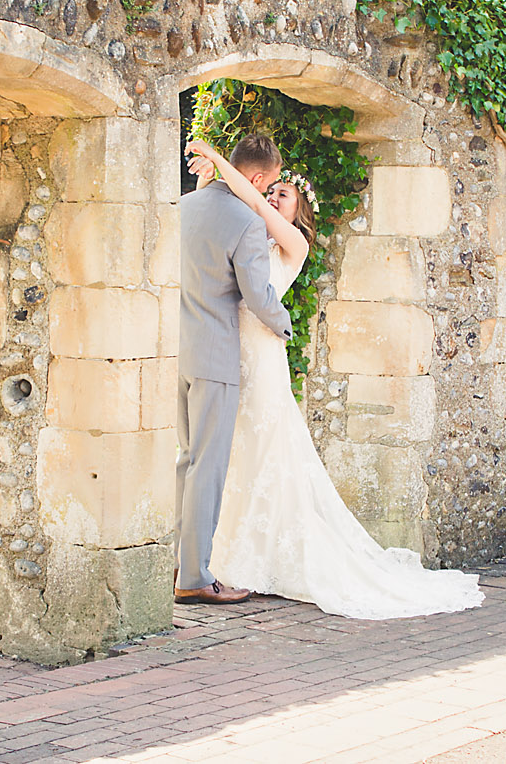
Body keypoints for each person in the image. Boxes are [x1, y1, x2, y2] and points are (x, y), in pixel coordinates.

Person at [183, 137, 485, 620]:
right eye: (274, 188)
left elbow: (251, 201)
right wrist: (209, 180)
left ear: (298, 213)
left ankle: (253, 556)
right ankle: (211, 556)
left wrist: (220, 163)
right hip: (223, 347)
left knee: (261, 447)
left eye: (285, 196)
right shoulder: (245, 230)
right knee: (223, 454)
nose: (275, 195)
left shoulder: (293, 242)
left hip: (259, 353)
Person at [172, 134, 295, 605]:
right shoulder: (246, 222)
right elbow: (258, 295)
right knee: (209, 465)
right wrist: (284, 325)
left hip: (177, 351)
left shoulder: (181, 206)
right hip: (217, 355)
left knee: (185, 459)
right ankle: (196, 576)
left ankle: (181, 563)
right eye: (271, 184)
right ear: (258, 177)